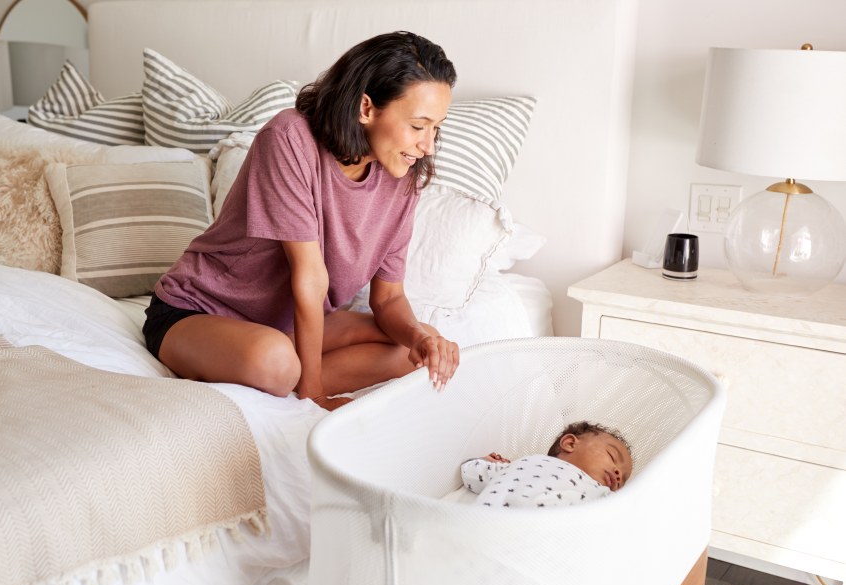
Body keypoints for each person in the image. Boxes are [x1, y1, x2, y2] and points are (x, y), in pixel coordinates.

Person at [142, 32, 460, 411]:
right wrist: (313, 394)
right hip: (198, 312)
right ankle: (289, 373)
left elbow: (389, 298)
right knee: (276, 363)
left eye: (436, 128)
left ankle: (291, 368)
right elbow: (309, 277)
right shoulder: (290, 137)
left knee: (420, 347)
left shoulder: (403, 180)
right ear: (366, 108)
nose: (427, 145)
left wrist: (418, 339)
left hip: (286, 327)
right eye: (418, 125)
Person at [460, 421, 633, 508]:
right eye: (612, 456)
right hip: (486, 531)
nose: (618, 474)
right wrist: (487, 462)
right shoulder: (523, 465)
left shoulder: (603, 497)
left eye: (623, 482)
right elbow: (471, 472)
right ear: (570, 444)